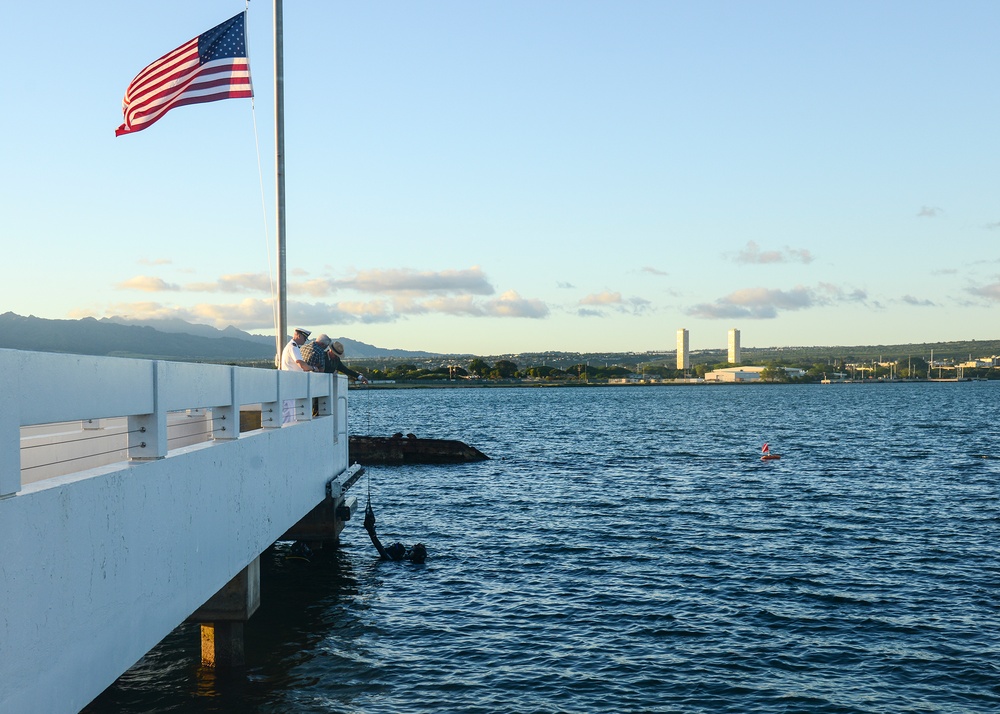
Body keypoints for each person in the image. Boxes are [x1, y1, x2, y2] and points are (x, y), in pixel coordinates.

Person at [279, 327, 317, 423]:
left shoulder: (291, 346)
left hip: (289, 383)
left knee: (289, 410)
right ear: (299, 336)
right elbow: (301, 364)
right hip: (290, 384)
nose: (305, 341)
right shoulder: (293, 347)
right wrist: (313, 368)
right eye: (304, 338)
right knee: (290, 411)